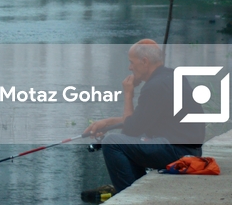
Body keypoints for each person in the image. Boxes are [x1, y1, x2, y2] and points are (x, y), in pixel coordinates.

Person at [83, 39, 205, 193]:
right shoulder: (172, 76)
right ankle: (138, 187)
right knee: (134, 139)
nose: (130, 67)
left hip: (177, 152)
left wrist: (128, 93)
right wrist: (107, 123)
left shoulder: (155, 86)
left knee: (112, 143)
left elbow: (130, 130)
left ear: (145, 62)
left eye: (131, 62)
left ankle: (129, 195)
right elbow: (142, 120)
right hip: (191, 151)